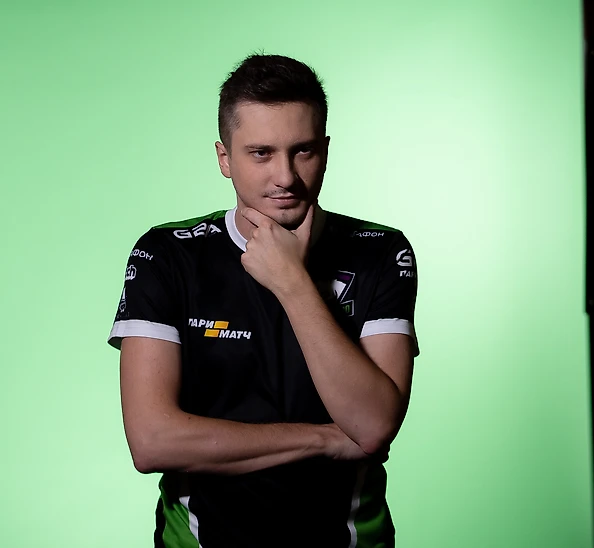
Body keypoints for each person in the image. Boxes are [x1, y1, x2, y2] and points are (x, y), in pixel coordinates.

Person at [108, 53, 419, 547]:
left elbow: (373, 425)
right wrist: (323, 438)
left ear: (325, 150)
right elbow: (151, 441)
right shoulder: (167, 255)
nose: (285, 176)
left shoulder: (380, 251)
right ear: (224, 158)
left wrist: (293, 283)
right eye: (260, 153)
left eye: (303, 151)